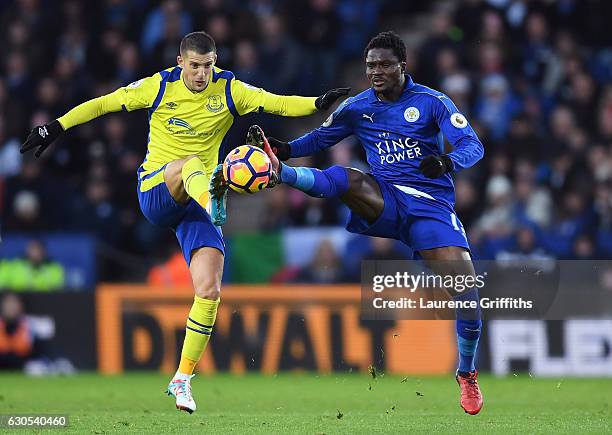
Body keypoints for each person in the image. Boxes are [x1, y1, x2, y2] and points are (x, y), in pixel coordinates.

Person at [20, 31, 349, 414]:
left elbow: (275, 103)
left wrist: (317, 103)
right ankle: (215, 197)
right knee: (192, 163)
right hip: (158, 190)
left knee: (209, 291)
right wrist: (56, 126)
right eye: (194, 66)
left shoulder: (228, 89)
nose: (201, 74)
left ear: (215, 62)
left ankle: (182, 379)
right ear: (181, 62)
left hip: (196, 204)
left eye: (208, 66)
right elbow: (104, 104)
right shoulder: (159, 86)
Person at [248, 31, 485, 415]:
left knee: (468, 295)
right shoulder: (358, 107)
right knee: (348, 176)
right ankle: (283, 173)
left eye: (384, 65)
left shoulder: (432, 102)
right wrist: (288, 150)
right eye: (370, 65)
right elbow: (322, 137)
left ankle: (466, 373)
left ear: (402, 66)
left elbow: (473, 145)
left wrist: (445, 161)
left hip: (430, 207)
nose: (376, 71)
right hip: (386, 199)